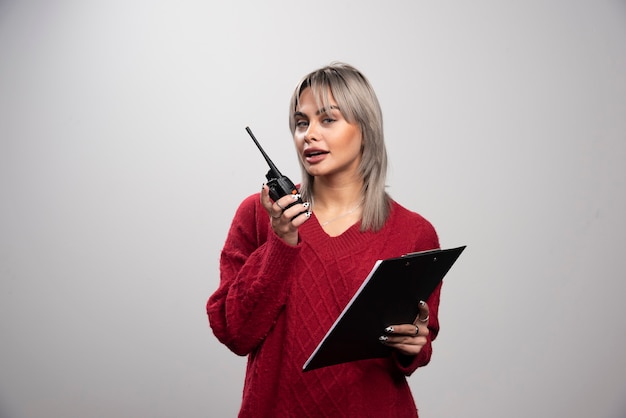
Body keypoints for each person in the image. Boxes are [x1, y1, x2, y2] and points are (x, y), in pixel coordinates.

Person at [207, 62, 442, 417]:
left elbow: (419, 345)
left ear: (365, 129)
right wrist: (280, 242)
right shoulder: (259, 214)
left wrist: (413, 346)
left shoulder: (414, 232)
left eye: (327, 120)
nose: (308, 134)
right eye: (302, 122)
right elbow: (235, 333)